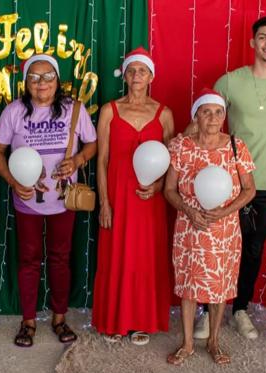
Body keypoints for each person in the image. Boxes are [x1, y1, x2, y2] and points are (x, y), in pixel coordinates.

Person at [0, 54, 97, 347]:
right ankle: (28, 321)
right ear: (26, 82)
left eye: (48, 76)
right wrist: (13, 181)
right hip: (27, 199)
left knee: (61, 257)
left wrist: (77, 160)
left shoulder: (74, 109)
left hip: (64, 199)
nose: (41, 83)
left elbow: (92, 143)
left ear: (57, 80)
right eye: (34, 77)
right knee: (28, 259)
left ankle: (59, 318)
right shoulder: (14, 112)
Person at [213, 16, 266, 340]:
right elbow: (206, 121)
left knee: (253, 247)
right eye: (263, 37)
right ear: (252, 42)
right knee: (220, 245)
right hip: (231, 181)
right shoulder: (229, 82)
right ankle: (209, 309)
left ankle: (240, 309)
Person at [163, 90, 256, 366]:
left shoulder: (236, 146)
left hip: (224, 228)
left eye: (218, 112)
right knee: (189, 286)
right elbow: (169, 190)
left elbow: (249, 189)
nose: (213, 118)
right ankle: (188, 344)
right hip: (189, 225)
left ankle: (214, 341)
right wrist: (189, 210)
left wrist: (224, 211)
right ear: (196, 117)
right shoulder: (181, 147)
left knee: (219, 286)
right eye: (206, 112)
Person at [92, 48, 174, 344]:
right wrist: (104, 202)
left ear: (151, 76)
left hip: (150, 199)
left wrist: (160, 185)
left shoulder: (164, 113)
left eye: (143, 71)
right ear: (124, 76)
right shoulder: (109, 111)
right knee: (116, 256)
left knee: (146, 257)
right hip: (118, 196)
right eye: (132, 70)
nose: (137, 75)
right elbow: (102, 160)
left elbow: (172, 161)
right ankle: (115, 319)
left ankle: (142, 321)